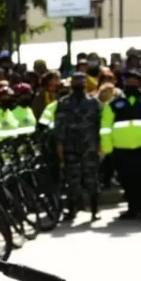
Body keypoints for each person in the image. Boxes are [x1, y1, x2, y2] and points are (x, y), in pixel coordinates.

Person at [100, 70, 141, 221]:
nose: (130, 85)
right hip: (122, 149)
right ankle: (132, 209)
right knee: (127, 180)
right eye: (128, 83)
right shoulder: (114, 104)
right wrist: (108, 148)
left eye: (134, 83)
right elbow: (106, 127)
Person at [55, 71, 103, 220]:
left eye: (81, 83)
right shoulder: (64, 102)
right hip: (71, 147)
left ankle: (94, 211)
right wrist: (60, 145)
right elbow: (59, 125)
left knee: (91, 180)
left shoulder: (94, 102)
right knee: (72, 180)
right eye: (76, 83)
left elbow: (100, 124)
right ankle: (72, 210)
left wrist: (100, 144)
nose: (79, 86)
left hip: (89, 146)